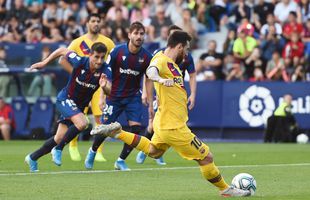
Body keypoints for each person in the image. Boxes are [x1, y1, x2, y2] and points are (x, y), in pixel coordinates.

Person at [91, 31, 250, 197]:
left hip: (164, 121)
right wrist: (159, 80)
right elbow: (151, 72)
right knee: (207, 157)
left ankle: (118, 132)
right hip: (173, 127)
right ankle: (225, 189)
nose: (187, 53)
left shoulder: (169, 61)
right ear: (179, 46)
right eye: (186, 49)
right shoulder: (161, 60)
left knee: (154, 151)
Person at [25, 42, 111, 172]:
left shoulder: (105, 69)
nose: (99, 61)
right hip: (65, 99)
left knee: (59, 137)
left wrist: (104, 86)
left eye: (102, 57)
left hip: (78, 107)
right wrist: (45, 62)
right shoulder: (79, 61)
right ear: (89, 55)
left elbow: (109, 90)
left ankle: (33, 157)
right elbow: (62, 50)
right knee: (83, 123)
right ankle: (58, 149)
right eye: (96, 57)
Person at [84, 21, 153, 171]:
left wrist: (147, 94)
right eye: (136, 33)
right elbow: (105, 77)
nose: (139, 36)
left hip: (133, 97)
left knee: (135, 130)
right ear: (129, 35)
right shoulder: (117, 52)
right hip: (114, 96)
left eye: (141, 34)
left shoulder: (147, 57)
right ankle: (93, 151)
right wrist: (102, 97)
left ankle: (120, 160)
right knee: (105, 129)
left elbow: (149, 77)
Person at [136, 24, 197, 165]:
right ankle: (149, 150)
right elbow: (150, 73)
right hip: (162, 93)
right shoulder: (161, 55)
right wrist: (147, 91)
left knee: (170, 125)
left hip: (175, 94)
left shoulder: (186, 57)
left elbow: (192, 75)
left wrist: (193, 94)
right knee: (154, 125)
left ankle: (154, 150)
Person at [65, 13, 115, 162]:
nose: (95, 23)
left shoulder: (108, 42)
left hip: (99, 85)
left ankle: (97, 150)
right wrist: (76, 74)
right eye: (93, 21)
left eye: (98, 21)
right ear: (87, 23)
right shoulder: (77, 42)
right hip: (81, 85)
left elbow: (113, 63)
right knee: (78, 116)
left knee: (101, 117)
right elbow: (63, 59)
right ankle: (72, 145)